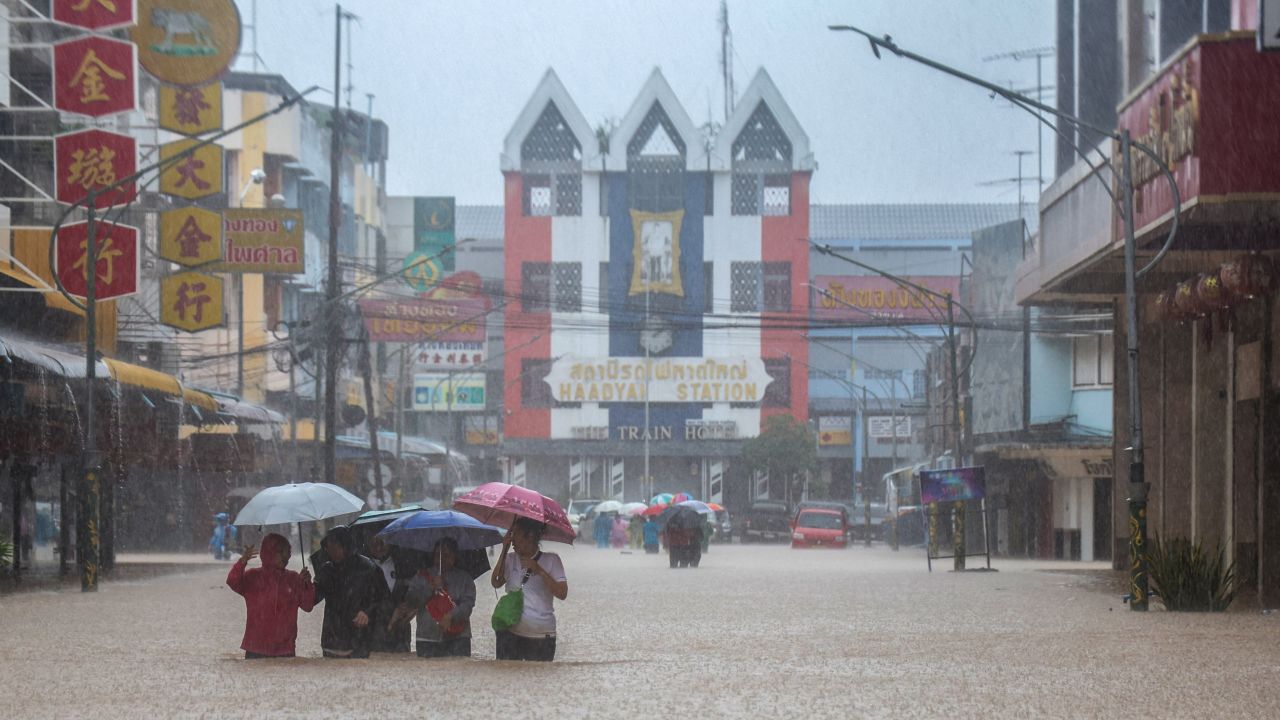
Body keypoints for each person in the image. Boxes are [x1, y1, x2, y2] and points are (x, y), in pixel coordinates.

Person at [225, 533, 315, 658]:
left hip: (285, 649)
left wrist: (307, 584)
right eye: (280, 551)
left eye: (287, 552)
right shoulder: (253, 577)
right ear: (268, 553)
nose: (285, 557)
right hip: (256, 649)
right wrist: (242, 561)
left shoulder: (294, 578)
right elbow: (232, 581)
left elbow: (308, 605)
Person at [491, 517, 568, 662]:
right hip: (510, 634)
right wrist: (504, 549)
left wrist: (539, 570)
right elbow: (495, 582)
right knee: (507, 678)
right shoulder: (510, 559)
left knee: (538, 681)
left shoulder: (552, 560)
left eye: (516, 534)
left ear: (530, 536)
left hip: (542, 636)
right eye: (511, 534)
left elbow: (562, 593)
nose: (512, 539)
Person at [395, 537, 476, 658]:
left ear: (454, 557)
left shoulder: (465, 579)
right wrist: (430, 587)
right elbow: (411, 601)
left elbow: (468, 605)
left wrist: (451, 616)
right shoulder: (421, 576)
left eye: (446, 555)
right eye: (438, 554)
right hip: (427, 638)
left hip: (458, 639)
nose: (441, 558)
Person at [313, 526, 385, 659]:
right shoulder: (326, 570)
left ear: (346, 546)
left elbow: (383, 600)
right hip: (331, 641)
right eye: (329, 548)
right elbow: (312, 600)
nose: (331, 552)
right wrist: (305, 584)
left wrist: (367, 612)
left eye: (335, 548)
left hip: (360, 641)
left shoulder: (369, 569)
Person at [366, 535, 410, 653]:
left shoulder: (402, 564)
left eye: (383, 542)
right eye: (374, 543)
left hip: (401, 633)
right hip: (373, 632)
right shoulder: (363, 567)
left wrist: (408, 606)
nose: (379, 547)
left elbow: (412, 595)